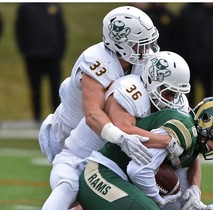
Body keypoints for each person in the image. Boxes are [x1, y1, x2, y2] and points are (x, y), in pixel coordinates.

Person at [41, 51, 191, 210]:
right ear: (151, 79)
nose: (171, 100)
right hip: (78, 159)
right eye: (168, 92)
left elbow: (191, 149)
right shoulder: (131, 90)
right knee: (67, 188)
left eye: (175, 94)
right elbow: (123, 129)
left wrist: (194, 190)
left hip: (113, 167)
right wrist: (166, 141)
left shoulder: (174, 103)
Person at [38, 6, 183, 168]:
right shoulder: (96, 60)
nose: (147, 49)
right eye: (140, 43)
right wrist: (121, 137)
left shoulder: (143, 60)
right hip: (69, 137)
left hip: (107, 135)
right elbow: (93, 115)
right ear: (120, 43)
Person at [77, 97, 213, 210]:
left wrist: (198, 204)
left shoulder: (192, 143)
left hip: (117, 180)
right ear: (206, 120)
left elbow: (177, 202)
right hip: (101, 174)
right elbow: (138, 171)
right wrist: (158, 199)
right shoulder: (185, 130)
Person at [15, 3, 66, 123]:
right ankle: (37, 117)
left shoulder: (54, 6)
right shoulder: (25, 7)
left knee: (56, 88)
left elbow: (61, 29)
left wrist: (60, 50)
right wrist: (25, 51)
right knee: (35, 88)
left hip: (53, 56)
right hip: (34, 57)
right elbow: (19, 30)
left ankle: (57, 117)